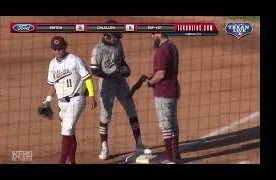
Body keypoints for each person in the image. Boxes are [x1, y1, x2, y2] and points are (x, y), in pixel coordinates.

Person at [90, 20, 151, 160]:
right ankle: (104, 147)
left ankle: (139, 144)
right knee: (105, 115)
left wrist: (125, 69)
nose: (118, 36)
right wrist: (111, 75)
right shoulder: (98, 49)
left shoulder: (118, 44)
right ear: (108, 33)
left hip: (121, 83)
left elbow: (121, 60)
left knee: (131, 110)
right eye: (116, 33)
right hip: (107, 85)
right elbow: (94, 70)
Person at [42, 36, 97, 164]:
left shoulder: (75, 60)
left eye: (60, 48)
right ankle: (72, 162)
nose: (58, 51)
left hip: (76, 100)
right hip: (62, 103)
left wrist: (92, 96)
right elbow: (52, 85)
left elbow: (87, 78)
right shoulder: (52, 64)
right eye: (55, 49)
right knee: (69, 133)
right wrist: (47, 101)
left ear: (65, 47)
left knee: (66, 130)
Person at [145, 32, 181, 164]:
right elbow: (165, 71)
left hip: (164, 92)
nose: (152, 37)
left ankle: (169, 158)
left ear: (159, 33)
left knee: (166, 125)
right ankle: (176, 154)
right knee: (173, 123)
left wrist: (149, 83)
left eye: (153, 34)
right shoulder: (173, 46)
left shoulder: (162, 50)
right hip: (173, 89)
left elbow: (161, 74)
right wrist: (151, 76)